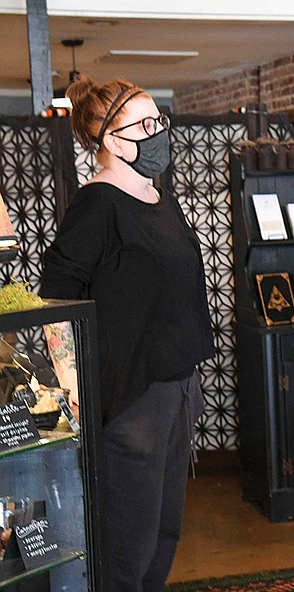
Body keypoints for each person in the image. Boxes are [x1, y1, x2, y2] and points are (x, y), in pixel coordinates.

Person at [39, 75, 214, 592]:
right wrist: (75, 387)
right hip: (131, 399)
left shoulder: (160, 199)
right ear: (112, 141)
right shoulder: (98, 207)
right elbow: (55, 299)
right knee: (127, 547)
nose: (159, 130)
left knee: (164, 533)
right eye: (145, 124)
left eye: (159, 118)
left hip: (178, 387)